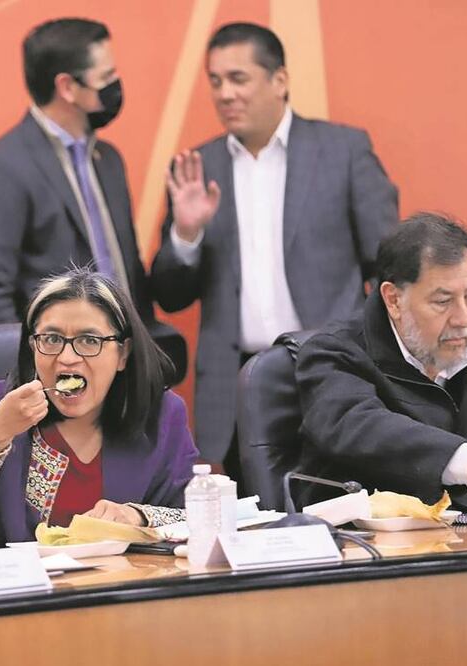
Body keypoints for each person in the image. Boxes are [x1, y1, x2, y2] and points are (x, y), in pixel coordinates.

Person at [150, 22, 398, 479]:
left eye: (238, 78)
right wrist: (186, 234)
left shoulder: (343, 151)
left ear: (279, 80)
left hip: (331, 372)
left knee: (344, 524)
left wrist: (377, 364)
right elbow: (169, 295)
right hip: (242, 386)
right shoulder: (196, 169)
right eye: (216, 80)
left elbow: (388, 266)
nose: (225, 93)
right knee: (258, 531)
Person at [294, 213, 467, 509]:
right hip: (367, 545)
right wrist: (466, 457)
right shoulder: (334, 353)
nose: (463, 318)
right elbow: (357, 425)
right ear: (394, 300)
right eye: (443, 301)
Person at [0, 269, 198, 548]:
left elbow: (199, 518)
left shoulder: (161, 414)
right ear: (32, 347)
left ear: (123, 354)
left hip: (126, 585)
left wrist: (138, 516)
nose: (67, 358)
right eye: (51, 340)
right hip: (16, 587)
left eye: (90, 340)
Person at [0, 17, 154, 328]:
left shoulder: (108, 160)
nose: (115, 85)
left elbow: (127, 270)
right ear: (67, 87)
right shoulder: (2, 168)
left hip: (127, 362)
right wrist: (30, 371)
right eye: (106, 76)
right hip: (59, 366)